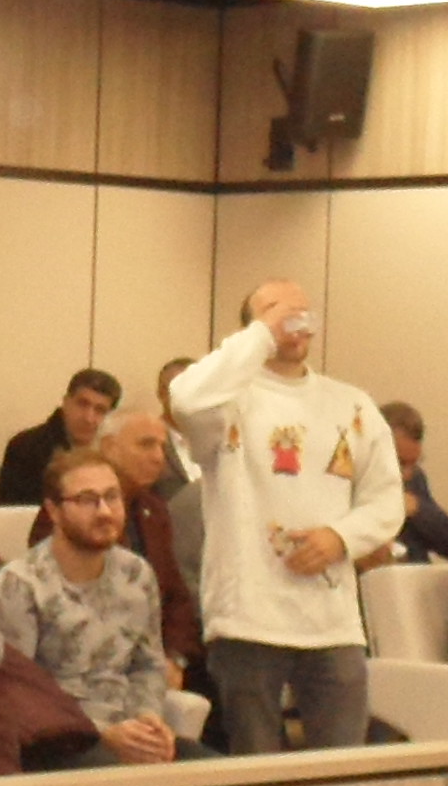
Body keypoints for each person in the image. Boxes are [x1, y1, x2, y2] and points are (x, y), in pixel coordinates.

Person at [168, 282, 402, 754]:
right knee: (257, 765)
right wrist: (262, 336)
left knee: (341, 761)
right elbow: (185, 399)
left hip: (331, 620)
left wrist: (341, 538)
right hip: (247, 615)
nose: (293, 320)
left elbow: (386, 499)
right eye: (277, 310)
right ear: (249, 328)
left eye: (301, 312)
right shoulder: (226, 403)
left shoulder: (352, 404)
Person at [0, 444, 186, 766]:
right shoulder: (19, 584)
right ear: (53, 511)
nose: (104, 511)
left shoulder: (136, 573)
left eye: (112, 497)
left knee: (218, 776)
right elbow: (18, 691)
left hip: (127, 728)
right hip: (59, 740)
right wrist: (104, 733)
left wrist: (147, 721)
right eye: (87, 500)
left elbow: (148, 665)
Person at [102, 406, 204, 675]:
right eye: (146, 445)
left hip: (156, 655)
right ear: (109, 447)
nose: (159, 457)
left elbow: (176, 598)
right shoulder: (74, 507)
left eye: (162, 447)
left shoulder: (154, 509)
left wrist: (176, 658)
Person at [0, 369, 119, 509]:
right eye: (82, 404)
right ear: (65, 402)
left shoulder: (114, 452)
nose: (89, 418)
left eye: (100, 410)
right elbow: (18, 514)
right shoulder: (26, 448)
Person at [366, 398, 448, 567]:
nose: (407, 474)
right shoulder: (347, 483)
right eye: (400, 463)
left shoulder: (415, 479)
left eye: (414, 463)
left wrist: (418, 509)